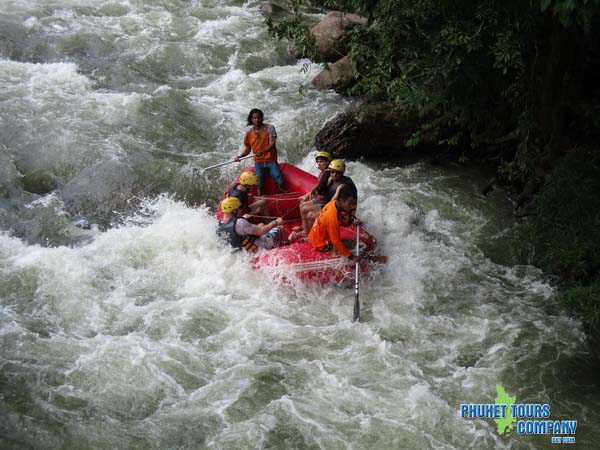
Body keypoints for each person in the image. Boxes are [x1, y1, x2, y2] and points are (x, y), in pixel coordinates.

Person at [290, 158, 357, 241]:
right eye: (332, 172)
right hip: (325, 200)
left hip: (336, 208)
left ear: (342, 173)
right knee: (303, 206)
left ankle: (311, 236)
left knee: (311, 215)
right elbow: (322, 192)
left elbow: (335, 203)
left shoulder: (344, 186)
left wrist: (322, 209)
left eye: (337, 173)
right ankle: (305, 231)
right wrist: (311, 195)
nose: (334, 174)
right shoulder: (331, 178)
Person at [234, 108, 284, 196]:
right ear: (251, 120)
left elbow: (272, 143)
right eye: (255, 118)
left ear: (262, 118)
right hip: (258, 162)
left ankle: (282, 194)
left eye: (259, 117)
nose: (257, 120)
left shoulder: (270, 128)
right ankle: (260, 197)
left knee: (278, 177)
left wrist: (263, 151)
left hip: (271, 160)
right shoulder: (249, 134)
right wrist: (240, 156)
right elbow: (248, 149)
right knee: (258, 180)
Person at [308, 185, 361, 262]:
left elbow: (341, 220)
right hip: (321, 244)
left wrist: (351, 222)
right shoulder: (332, 218)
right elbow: (336, 242)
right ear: (341, 201)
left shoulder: (332, 203)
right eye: (350, 204)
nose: (352, 206)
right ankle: (372, 258)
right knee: (354, 243)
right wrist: (351, 257)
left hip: (314, 236)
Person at [217, 197, 286, 252]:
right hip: (258, 249)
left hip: (244, 254)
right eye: (238, 209)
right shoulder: (239, 222)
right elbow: (261, 231)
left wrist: (243, 218)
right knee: (281, 228)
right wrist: (275, 222)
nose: (240, 210)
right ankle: (288, 244)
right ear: (233, 210)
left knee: (261, 224)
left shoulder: (219, 226)